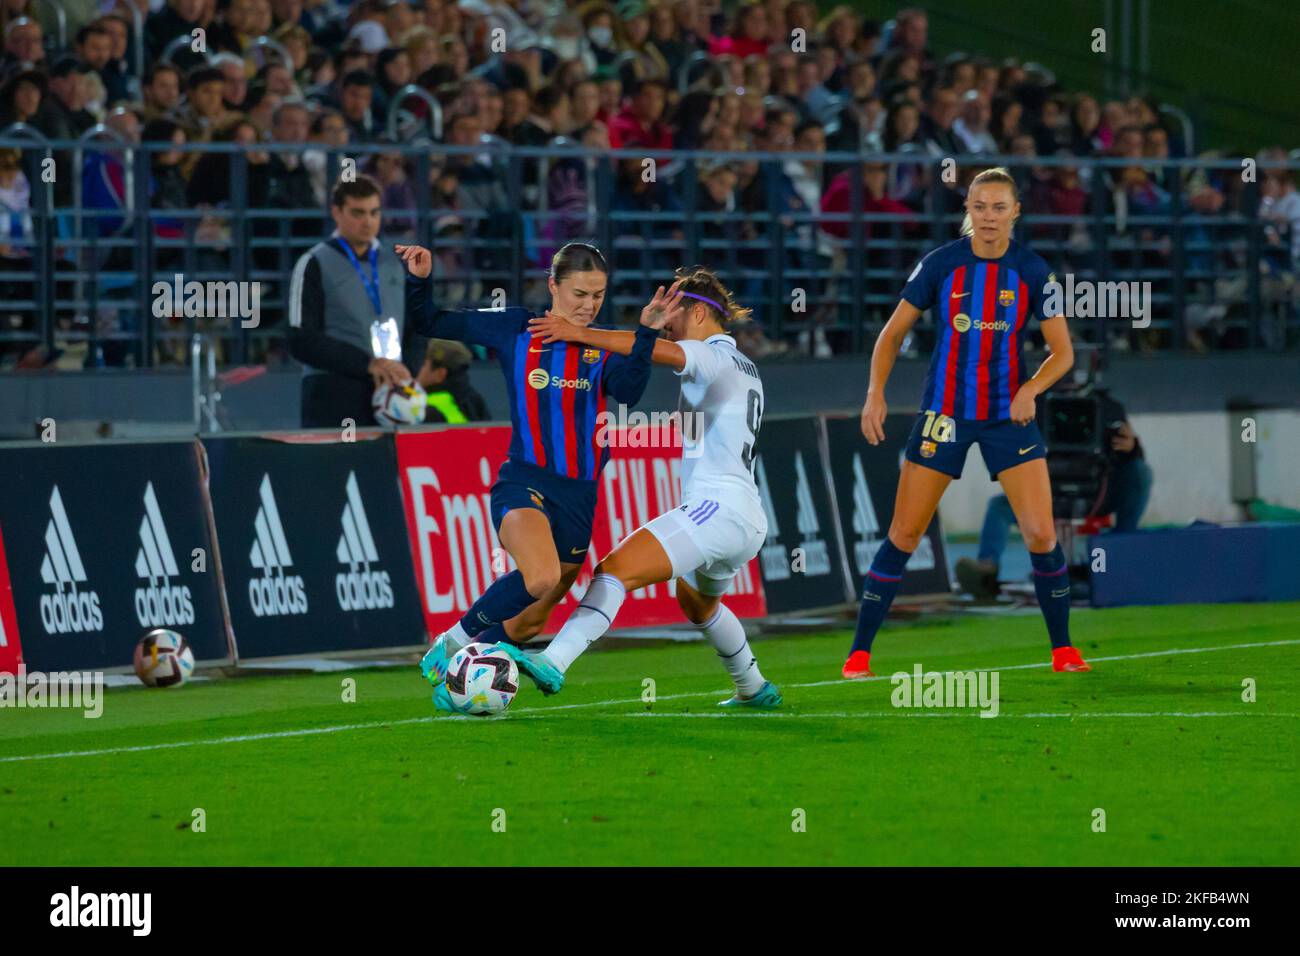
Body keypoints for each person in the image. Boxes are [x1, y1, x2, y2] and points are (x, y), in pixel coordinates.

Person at [843, 166, 1091, 678]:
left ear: (1016, 212)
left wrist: (1030, 389)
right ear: (968, 212)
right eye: (980, 208)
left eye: (999, 208)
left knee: (1042, 535)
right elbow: (890, 336)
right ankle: (859, 654)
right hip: (944, 416)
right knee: (904, 535)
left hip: (1007, 417)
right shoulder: (940, 265)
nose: (989, 218)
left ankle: (1063, 650)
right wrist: (875, 394)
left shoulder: (1033, 272)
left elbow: (1063, 353)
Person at [504, 267, 782, 710]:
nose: (665, 325)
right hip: (745, 516)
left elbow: (646, 349)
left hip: (718, 509)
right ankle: (753, 686)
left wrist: (576, 332)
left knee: (613, 570)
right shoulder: (743, 364)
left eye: (672, 314)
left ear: (694, 311)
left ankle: (554, 660)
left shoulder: (711, 355)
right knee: (697, 605)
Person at [399, 241, 660, 700]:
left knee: (531, 620)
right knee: (538, 577)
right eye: (579, 293)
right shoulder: (517, 328)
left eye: (598, 295)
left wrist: (645, 337)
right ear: (553, 286)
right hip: (525, 481)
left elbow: (629, 391)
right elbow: (430, 322)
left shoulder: (601, 346)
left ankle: (466, 680)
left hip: (581, 495)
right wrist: (419, 281)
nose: (589, 305)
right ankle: (451, 644)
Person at [956, 392, 1152, 598]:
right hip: (1045, 494)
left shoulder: (1108, 408)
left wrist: (1132, 448)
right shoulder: (1031, 404)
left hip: (1096, 494)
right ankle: (986, 571)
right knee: (999, 507)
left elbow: (1131, 465)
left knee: (1140, 472)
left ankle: (1121, 555)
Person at [287, 175, 416, 428]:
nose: (367, 222)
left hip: (391, 393)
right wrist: (367, 364)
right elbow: (300, 339)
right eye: (358, 213)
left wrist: (406, 369)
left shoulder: (396, 263)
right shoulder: (314, 263)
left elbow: (417, 326)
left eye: (374, 212)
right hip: (333, 394)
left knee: (387, 468)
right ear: (337, 212)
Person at [415, 338, 490, 423]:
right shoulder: (474, 400)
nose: (420, 370)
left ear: (440, 374)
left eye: (424, 365)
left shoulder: (424, 409)